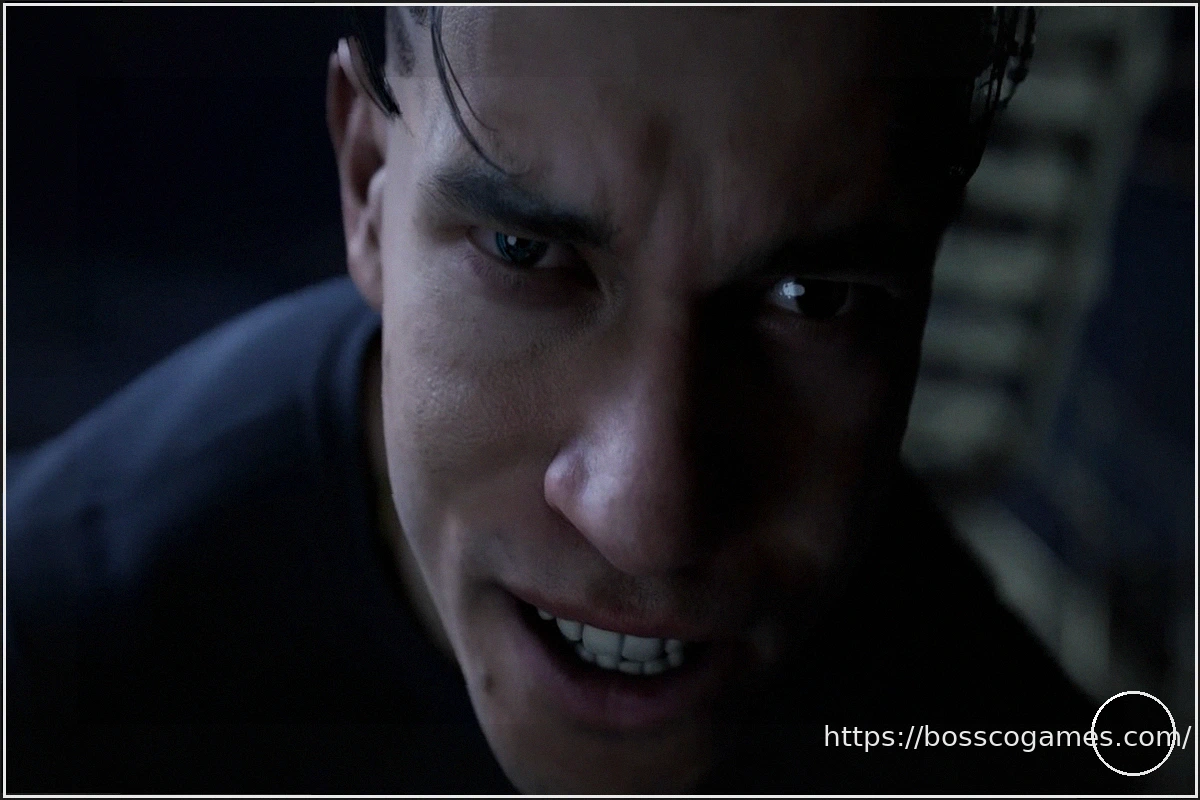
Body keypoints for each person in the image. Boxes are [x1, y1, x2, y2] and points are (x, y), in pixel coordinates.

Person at [7, 6, 1120, 793]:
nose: (648, 523)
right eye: (523, 250)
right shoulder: (51, 683)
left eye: (814, 298)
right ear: (366, 187)